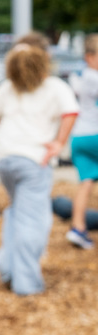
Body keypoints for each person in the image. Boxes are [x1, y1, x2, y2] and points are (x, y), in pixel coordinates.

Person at [0, 41, 78, 295]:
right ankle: (26, 283)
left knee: (17, 212)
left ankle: (7, 266)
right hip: (34, 161)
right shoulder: (54, 87)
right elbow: (71, 112)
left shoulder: (7, 88)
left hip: (5, 160)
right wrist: (59, 143)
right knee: (33, 221)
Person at [66, 33, 98, 249]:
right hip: (95, 134)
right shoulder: (94, 78)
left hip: (79, 135)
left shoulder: (78, 77)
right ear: (89, 56)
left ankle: (78, 228)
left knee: (85, 182)